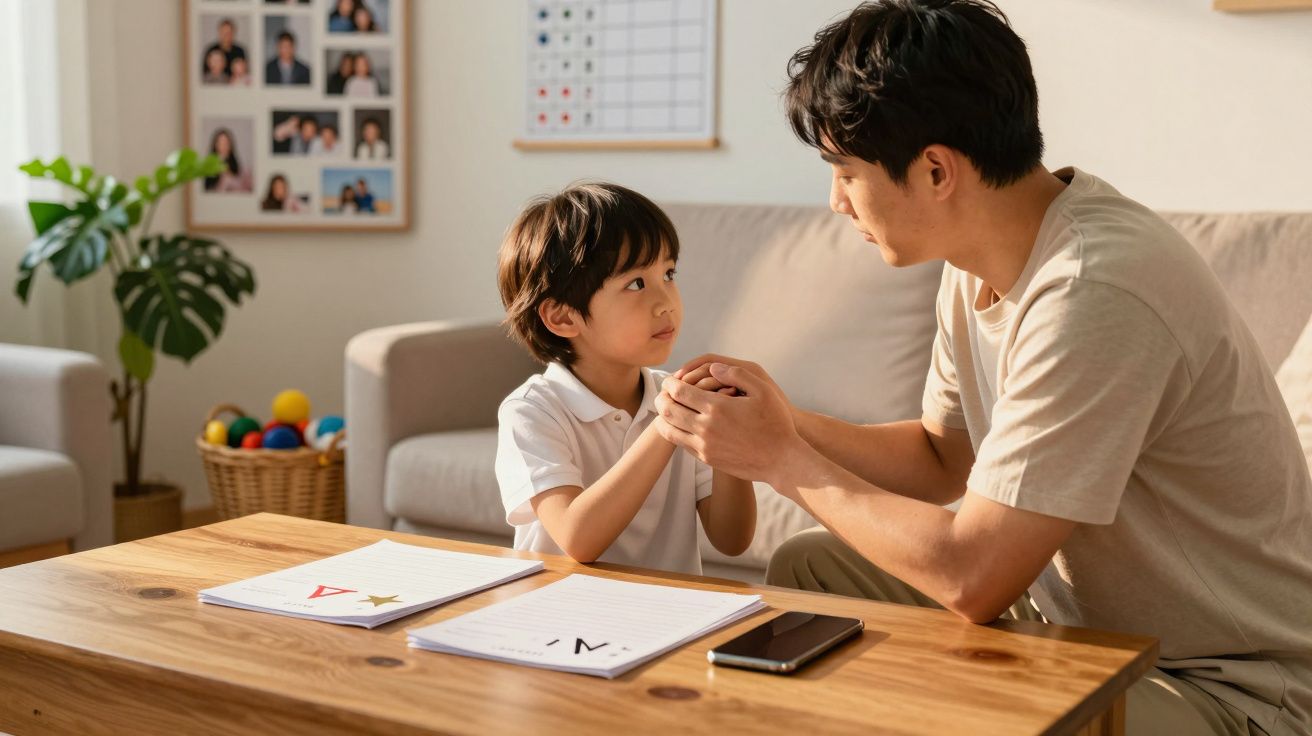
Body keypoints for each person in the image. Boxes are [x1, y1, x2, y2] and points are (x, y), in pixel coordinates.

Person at [653, 2, 1311, 735]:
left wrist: (778, 459)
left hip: (1227, 685)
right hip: (1075, 624)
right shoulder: (982, 258)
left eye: (845, 172)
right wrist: (780, 416)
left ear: (936, 170)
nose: (835, 202)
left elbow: (973, 576)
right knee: (815, 570)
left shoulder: (1095, 288)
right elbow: (944, 458)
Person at [494, 182, 756, 575]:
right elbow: (578, 539)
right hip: (560, 617)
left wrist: (730, 433)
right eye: (636, 284)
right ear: (564, 317)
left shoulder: (676, 399)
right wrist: (667, 424)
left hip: (669, 615)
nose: (666, 300)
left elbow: (732, 540)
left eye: (669, 273)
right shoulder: (531, 412)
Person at [203, 128, 244, 192]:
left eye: (226, 143)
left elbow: (238, 181)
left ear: (230, 145)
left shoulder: (234, 162)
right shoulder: (209, 163)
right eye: (220, 142)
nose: (223, 146)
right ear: (215, 144)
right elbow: (207, 186)